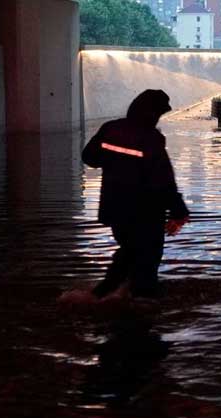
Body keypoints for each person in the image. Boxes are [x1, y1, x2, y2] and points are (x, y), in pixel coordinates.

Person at [82, 89, 190, 300]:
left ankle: (108, 297)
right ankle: (130, 302)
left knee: (130, 250)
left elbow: (89, 157)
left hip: (114, 209)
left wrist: (115, 162)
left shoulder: (110, 128)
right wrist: (178, 211)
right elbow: (163, 179)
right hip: (146, 211)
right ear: (153, 113)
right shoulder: (151, 138)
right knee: (146, 258)